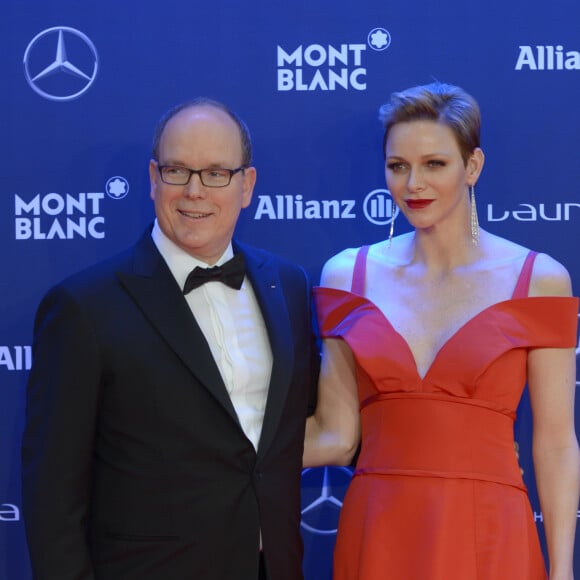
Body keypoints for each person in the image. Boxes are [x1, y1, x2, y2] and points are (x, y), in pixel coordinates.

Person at [22, 98, 319, 580]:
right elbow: (53, 498)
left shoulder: (287, 285)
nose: (195, 191)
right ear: (153, 178)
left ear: (247, 185)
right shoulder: (83, 308)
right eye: (178, 171)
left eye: (217, 173)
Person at [303, 82, 579, 579]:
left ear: (472, 167)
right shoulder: (347, 275)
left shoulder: (539, 279)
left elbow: (556, 444)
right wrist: (214, 446)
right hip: (379, 532)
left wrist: (562, 572)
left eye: (434, 164)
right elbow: (336, 435)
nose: (413, 184)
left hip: (491, 535)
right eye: (397, 166)